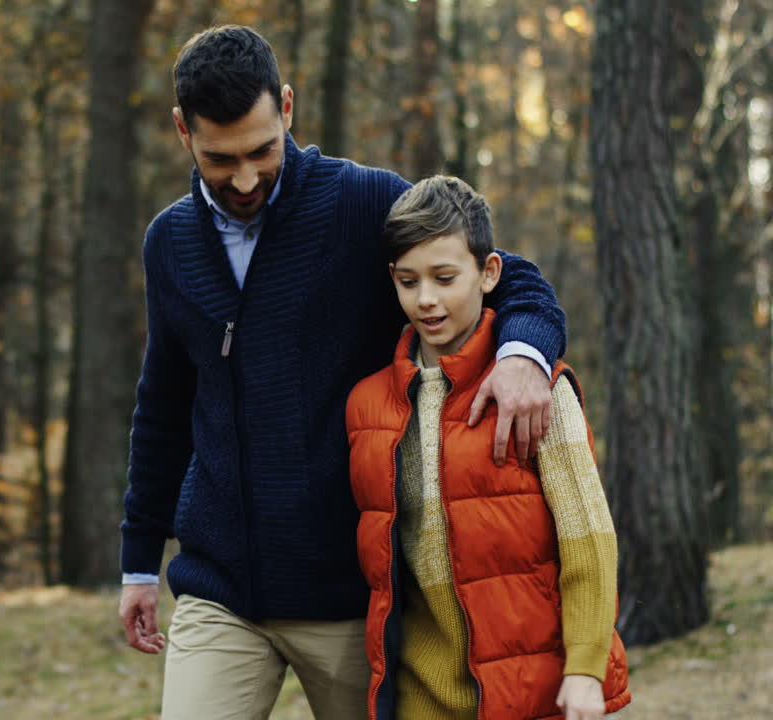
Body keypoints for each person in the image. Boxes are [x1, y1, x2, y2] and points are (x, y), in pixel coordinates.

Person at [118, 25, 568, 719]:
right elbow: (163, 405)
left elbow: (508, 278)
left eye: (262, 151)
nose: (244, 179)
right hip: (220, 591)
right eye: (220, 158)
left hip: (352, 598)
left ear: (288, 108)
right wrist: (140, 563)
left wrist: (522, 357)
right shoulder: (169, 244)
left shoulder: (362, 203)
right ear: (183, 130)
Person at [345, 175, 630, 720]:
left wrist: (585, 667)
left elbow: (588, 536)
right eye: (408, 282)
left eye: (445, 278)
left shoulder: (536, 390)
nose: (426, 299)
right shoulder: (366, 406)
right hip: (420, 698)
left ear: (488, 272)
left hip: (532, 689)